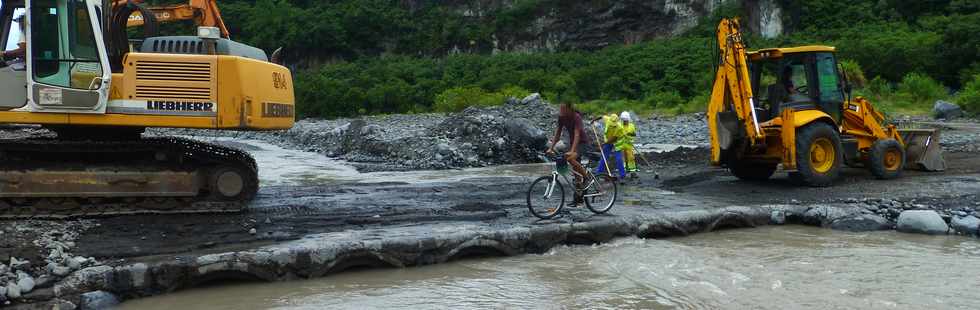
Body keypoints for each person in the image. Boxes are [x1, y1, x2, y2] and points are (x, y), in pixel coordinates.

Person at [546, 102, 591, 191]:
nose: (561, 111)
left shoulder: (576, 117)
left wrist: (572, 151)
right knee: (576, 174)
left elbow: (577, 134)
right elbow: (558, 133)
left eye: (563, 109)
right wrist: (551, 148)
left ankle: (586, 178)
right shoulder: (561, 117)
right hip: (573, 143)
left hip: (582, 143)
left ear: (569, 109)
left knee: (570, 158)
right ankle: (578, 200)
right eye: (560, 109)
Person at [594, 113, 626, 181]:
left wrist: (603, 144)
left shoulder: (619, 127)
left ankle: (622, 175)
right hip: (608, 141)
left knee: (618, 159)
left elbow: (613, 139)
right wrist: (594, 120)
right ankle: (599, 173)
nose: (613, 125)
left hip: (617, 143)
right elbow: (601, 116)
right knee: (604, 157)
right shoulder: (607, 119)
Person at [619, 111, 638, 177]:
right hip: (621, 145)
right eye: (623, 120)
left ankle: (632, 172)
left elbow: (634, 134)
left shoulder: (631, 126)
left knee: (631, 158)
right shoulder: (619, 125)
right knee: (623, 159)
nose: (625, 121)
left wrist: (629, 134)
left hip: (629, 145)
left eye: (626, 120)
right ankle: (623, 172)